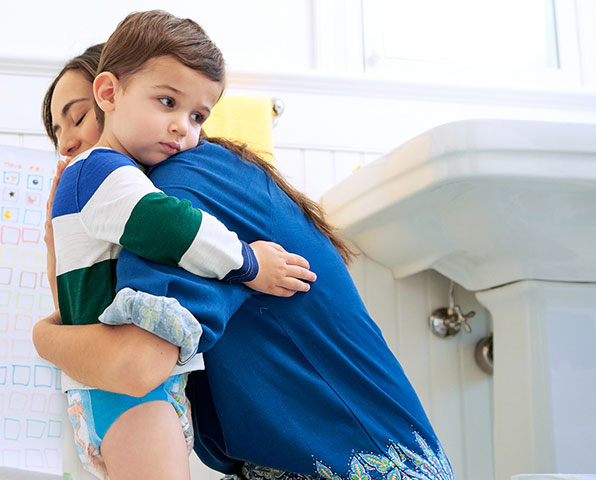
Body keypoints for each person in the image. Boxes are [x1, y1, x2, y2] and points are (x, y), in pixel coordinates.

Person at [35, 36, 455, 480]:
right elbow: (86, 316)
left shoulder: (178, 191)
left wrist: (43, 338)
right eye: (57, 134)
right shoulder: (178, 188)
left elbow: (132, 364)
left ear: (112, 93)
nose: (66, 145)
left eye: (78, 117)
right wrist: (55, 239)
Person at [44, 11, 316, 480]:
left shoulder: (101, 176)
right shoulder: (97, 169)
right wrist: (249, 263)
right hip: (129, 394)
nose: (183, 129)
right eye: (167, 102)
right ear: (108, 93)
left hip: (121, 390)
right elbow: (168, 225)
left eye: (196, 116)